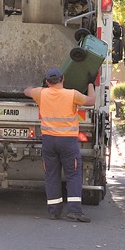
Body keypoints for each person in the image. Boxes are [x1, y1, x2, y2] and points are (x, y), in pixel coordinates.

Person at [24, 68, 96, 222]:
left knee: (51, 175)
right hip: (68, 141)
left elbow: (27, 91)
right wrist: (90, 83)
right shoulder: (72, 94)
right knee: (73, 174)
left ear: (47, 81)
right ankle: (75, 211)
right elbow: (91, 101)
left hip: (49, 140)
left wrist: (40, 86)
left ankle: (54, 211)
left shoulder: (40, 93)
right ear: (63, 79)